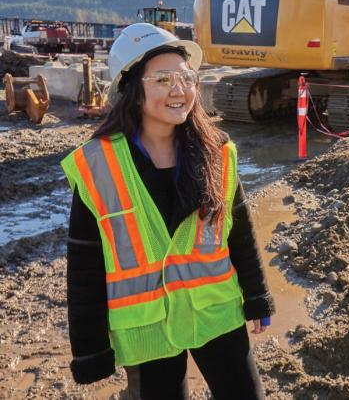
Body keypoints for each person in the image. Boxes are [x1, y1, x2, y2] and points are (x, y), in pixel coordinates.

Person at [63, 23, 274, 399]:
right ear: (130, 88)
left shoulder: (217, 153)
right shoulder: (97, 166)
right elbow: (84, 265)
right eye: (162, 79)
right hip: (147, 329)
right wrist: (90, 350)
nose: (180, 90)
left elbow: (239, 230)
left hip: (217, 313)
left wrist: (256, 295)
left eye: (186, 77)